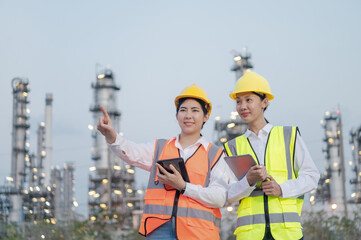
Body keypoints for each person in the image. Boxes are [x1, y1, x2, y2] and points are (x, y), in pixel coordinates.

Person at [97, 84, 231, 240]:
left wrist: (184, 187)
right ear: (176, 116)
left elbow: (219, 197)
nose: (188, 115)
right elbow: (131, 152)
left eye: (195, 110)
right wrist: (112, 137)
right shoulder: (160, 148)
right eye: (183, 110)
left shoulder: (215, 155)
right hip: (159, 230)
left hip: (198, 233)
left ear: (206, 116)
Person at [224, 72, 320, 240]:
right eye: (238, 101)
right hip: (250, 235)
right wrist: (248, 181)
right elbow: (228, 194)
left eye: (248, 100)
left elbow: (312, 176)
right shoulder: (233, 147)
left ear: (264, 102)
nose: (242, 106)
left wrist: (281, 189)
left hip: (287, 233)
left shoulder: (288, 136)